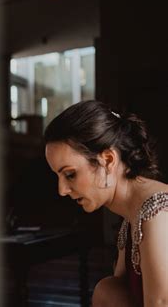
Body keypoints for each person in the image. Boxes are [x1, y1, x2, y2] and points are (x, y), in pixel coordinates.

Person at [44, 100, 168, 306]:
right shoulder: (133, 214)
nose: (62, 190)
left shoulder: (157, 213)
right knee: (107, 289)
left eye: (70, 174)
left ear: (108, 160)